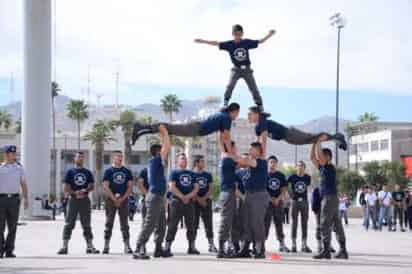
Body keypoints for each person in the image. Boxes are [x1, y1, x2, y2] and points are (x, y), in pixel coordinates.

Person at [194, 24, 276, 111]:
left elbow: (260, 41)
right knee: (230, 86)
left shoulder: (246, 42)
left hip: (247, 70)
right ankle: (225, 103)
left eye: (240, 34)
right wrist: (202, 41)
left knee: (253, 88)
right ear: (233, 34)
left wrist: (269, 35)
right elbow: (216, 43)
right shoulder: (229, 44)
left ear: (242, 34)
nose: (238, 36)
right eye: (236, 34)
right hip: (236, 70)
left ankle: (260, 105)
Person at [132, 103, 240, 154]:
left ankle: (141, 131)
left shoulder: (223, 116)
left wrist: (225, 152)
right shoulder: (226, 118)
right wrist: (230, 153)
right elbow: (227, 138)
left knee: (169, 129)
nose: (237, 116)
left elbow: (222, 138)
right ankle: (141, 127)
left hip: (196, 128)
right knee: (169, 128)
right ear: (234, 111)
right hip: (195, 128)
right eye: (237, 113)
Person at [133, 125, 171, 259]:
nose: (166, 154)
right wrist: (164, 132)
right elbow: (167, 146)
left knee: (161, 225)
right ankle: (138, 247)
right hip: (154, 197)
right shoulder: (155, 161)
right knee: (149, 224)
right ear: (157, 152)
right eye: (162, 151)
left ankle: (158, 248)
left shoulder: (157, 163)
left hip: (159, 197)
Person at [247, 107, 347, 155]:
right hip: (287, 138)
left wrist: (262, 154)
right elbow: (258, 142)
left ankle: (337, 137)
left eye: (250, 114)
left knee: (311, 137)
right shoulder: (257, 127)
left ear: (257, 114)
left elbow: (263, 139)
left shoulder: (262, 122)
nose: (248, 116)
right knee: (311, 140)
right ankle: (335, 138)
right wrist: (255, 153)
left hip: (289, 134)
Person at [311, 135, 348, 260]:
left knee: (324, 223)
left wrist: (319, 142)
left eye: (323, 156)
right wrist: (313, 143)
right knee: (337, 224)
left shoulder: (329, 168)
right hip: (331, 199)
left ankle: (326, 250)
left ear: (328, 158)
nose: (320, 158)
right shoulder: (322, 168)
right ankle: (343, 250)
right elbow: (312, 158)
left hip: (329, 198)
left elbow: (319, 156)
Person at [57, 151, 99, 255]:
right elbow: (66, 187)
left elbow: (92, 186)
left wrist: (84, 191)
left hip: (85, 200)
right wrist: (75, 193)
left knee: (86, 224)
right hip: (73, 200)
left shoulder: (88, 172)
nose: (80, 159)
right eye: (78, 157)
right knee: (69, 223)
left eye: (82, 157)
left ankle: (90, 246)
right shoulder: (70, 172)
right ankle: (64, 246)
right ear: (74, 159)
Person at [236, 142, 269, 259]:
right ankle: (245, 248)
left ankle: (260, 249)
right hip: (248, 195)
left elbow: (245, 161)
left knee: (257, 222)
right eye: (249, 149)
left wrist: (232, 153)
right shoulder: (249, 167)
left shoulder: (261, 162)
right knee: (247, 222)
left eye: (252, 149)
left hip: (259, 195)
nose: (249, 151)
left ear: (259, 151)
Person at [164, 153, 200, 256]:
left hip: (189, 203)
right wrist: (182, 196)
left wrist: (188, 197)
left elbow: (196, 187)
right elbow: (171, 187)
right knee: (172, 225)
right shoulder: (174, 172)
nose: (184, 160)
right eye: (182, 159)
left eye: (185, 159)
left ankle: (192, 247)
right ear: (177, 161)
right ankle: (167, 247)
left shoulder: (192, 174)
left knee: (191, 226)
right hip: (176, 202)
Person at [102, 150, 134, 254]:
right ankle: (106, 246)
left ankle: (127, 246)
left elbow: (130, 187)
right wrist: (114, 198)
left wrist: (122, 198)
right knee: (109, 223)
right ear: (113, 158)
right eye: (117, 156)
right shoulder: (108, 171)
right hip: (111, 201)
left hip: (124, 201)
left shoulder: (127, 171)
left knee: (124, 224)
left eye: (121, 156)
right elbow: (106, 186)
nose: (120, 158)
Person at [0, 145, 29, 258]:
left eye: (14, 153)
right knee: (0, 226)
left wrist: (26, 198)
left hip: (14, 199)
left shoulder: (19, 168)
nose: (14, 155)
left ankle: (9, 250)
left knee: (12, 226)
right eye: (12, 153)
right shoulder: (0, 168)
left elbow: (23, 184)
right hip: (1, 199)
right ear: (6, 154)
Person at [216, 141, 238, 258]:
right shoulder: (228, 160)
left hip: (229, 192)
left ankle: (227, 247)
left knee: (229, 221)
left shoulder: (226, 160)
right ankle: (221, 249)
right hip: (228, 193)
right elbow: (242, 163)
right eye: (235, 148)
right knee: (226, 220)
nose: (236, 150)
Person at [264, 155, 290, 253]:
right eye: (271, 162)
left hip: (278, 203)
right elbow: (263, 189)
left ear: (276, 164)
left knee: (279, 223)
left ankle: (282, 244)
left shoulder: (281, 175)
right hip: (267, 203)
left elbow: (284, 189)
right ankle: (262, 243)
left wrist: (278, 199)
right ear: (268, 163)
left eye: (274, 162)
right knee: (265, 223)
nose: (272, 164)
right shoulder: (264, 175)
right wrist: (270, 199)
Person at [192, 155, 218, 253]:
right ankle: (192, 245)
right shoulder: (191, 174)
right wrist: (198, 199)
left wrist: (204, 198)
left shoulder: (208, 175)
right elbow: (190, 188)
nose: (204, 163)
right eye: (202, 161)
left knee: (208, 224)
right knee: (194, 224)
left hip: (206, 201)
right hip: (194, 202)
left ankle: (211, 244)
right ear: (196, 163)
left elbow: (211, 188)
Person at [287, 161, 312, 253]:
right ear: (296, 167)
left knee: (304, 223)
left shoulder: (307, 177)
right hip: (295, 202)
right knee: (294, 223)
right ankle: (293, 244)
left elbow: (307, 187)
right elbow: (286, 186)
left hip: (304, 201)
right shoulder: (292, 177)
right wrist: (290, 195)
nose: (300, 167)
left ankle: (304, 244)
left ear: (304, 168)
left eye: (302, 166)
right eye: (298, 166)